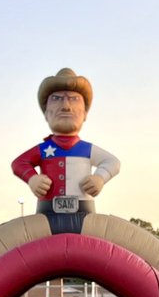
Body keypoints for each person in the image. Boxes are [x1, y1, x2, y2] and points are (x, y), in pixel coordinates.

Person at [11, 67, 121, 216]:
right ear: (46, 113)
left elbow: (112, 162)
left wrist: (100, 178)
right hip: (47, 210)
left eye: (74, 99)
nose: (66, 106)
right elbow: (19, 163)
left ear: (85, 113)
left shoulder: (86, 149)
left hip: (84, 211)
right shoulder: (45, 149)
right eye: (56, 98)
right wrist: (32, 179)